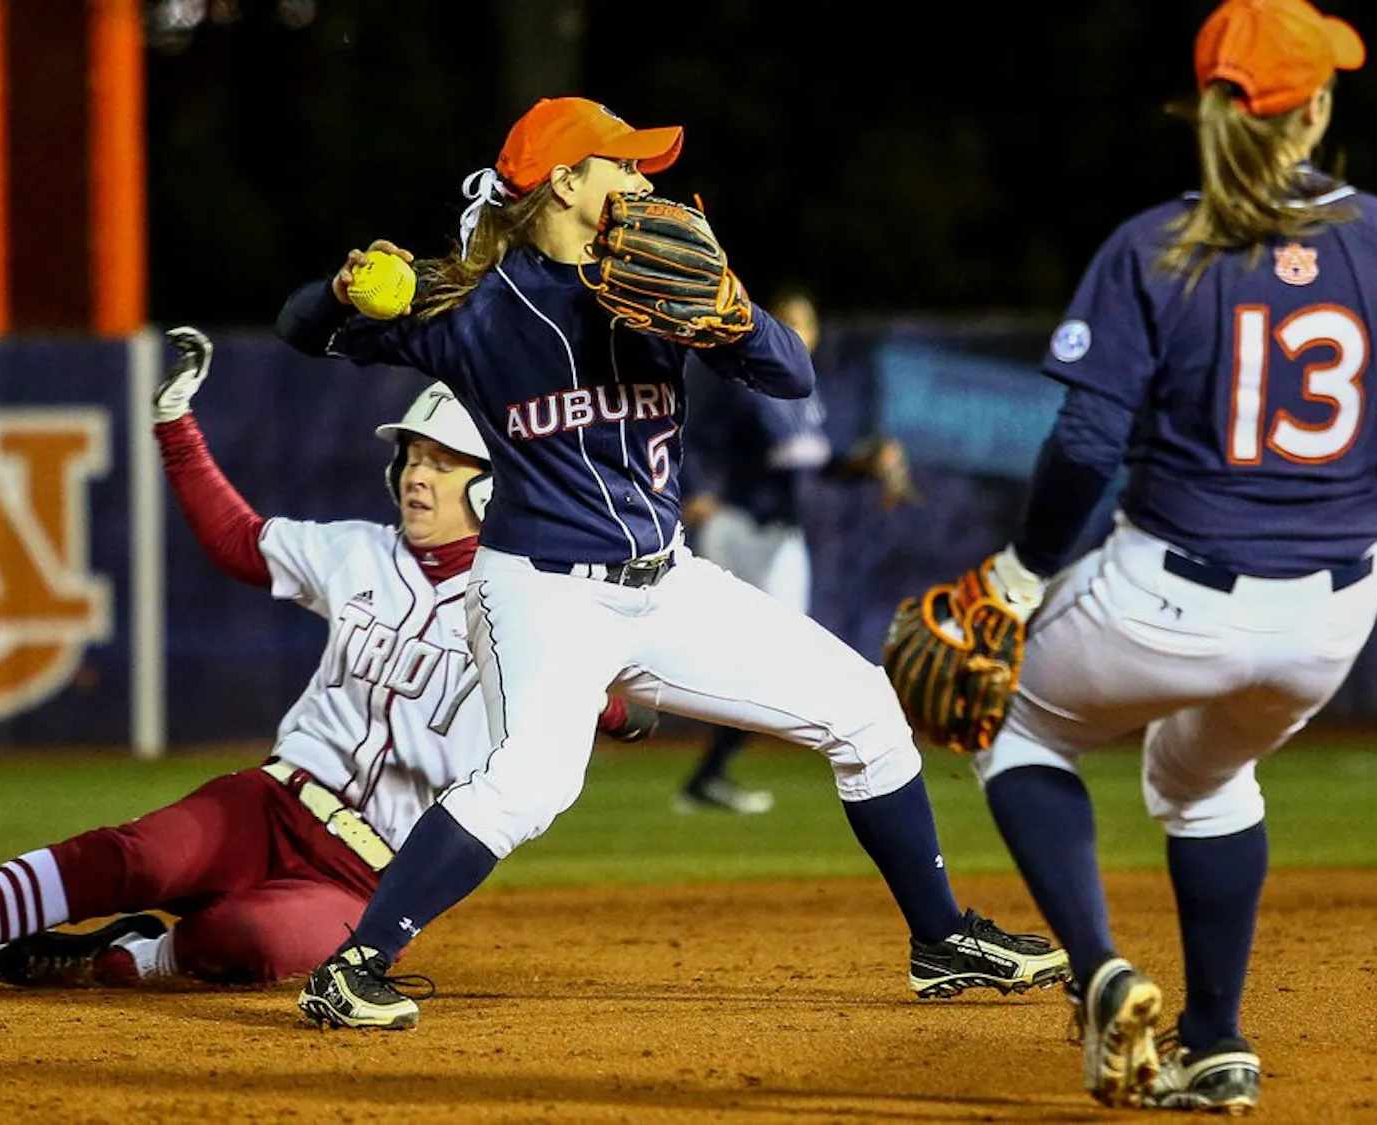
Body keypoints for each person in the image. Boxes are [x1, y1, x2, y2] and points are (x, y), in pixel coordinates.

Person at [274, 95, 1067, 1031]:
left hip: (668, 582)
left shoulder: (658, 285)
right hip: (542, 591)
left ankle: (940, 940)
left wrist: (730, 313)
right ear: (564, 181)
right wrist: (342, 290)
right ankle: (357, 964)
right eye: (621, 164)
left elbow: (792, 374)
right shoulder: (472, 310)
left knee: (864, 709)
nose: (641, 180)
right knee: (535, 779)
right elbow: (300, 326)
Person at [953, 0, 1377, 1111]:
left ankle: (1101, 972)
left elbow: (1085, 444)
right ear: (1316, 111)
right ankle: (1215, 1041)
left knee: (1009, 719)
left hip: (1170, 593)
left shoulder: (1158, 244)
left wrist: (1018, 575)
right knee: (1204, 778)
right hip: (1332, 615)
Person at [0, 328, 648, 987]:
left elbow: (615, 703)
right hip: (273, 802)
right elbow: (236, 541)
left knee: (252, 938)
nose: (417, 475)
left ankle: (132, 956)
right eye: (412, 457)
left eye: (443, 462)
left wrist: (605, 706)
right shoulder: (358, 551)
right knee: (134, 856)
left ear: (495, 485)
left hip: (370, 874)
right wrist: (176, 428)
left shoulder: (531, 603)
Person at [676, 286, 918, 813]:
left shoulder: (806, 398)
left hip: (781, 535)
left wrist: (868, 464)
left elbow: (820, 463)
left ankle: (710, 775)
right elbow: (687, 435)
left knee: (772, 657)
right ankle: (685, 756)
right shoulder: (742, 386)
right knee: (730, 652)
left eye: (806, 325)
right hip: (738, 529)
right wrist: (693, 489)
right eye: (788, 324)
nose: (799, 335)